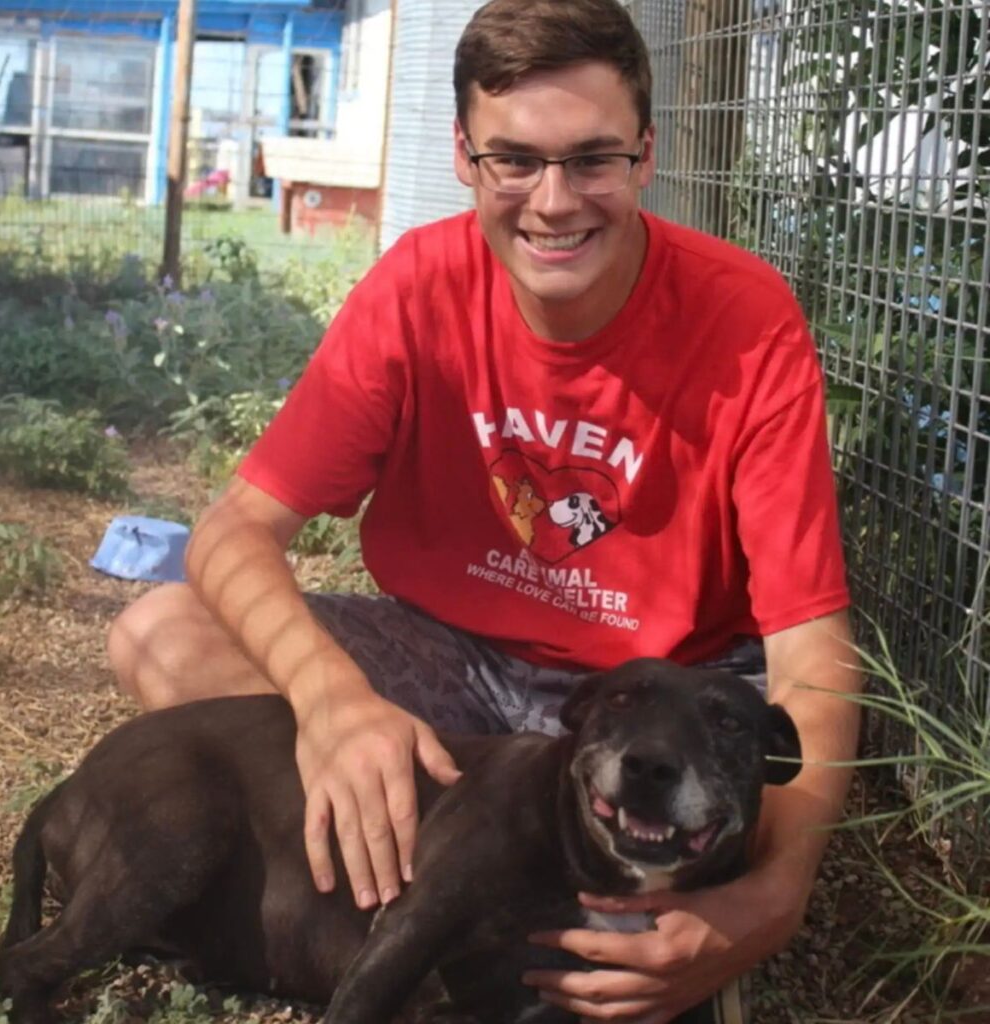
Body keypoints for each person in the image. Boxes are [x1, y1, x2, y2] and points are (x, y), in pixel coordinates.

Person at [108, 0, 862, 1020]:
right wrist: (332, 701)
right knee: (161, 635)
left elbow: (812, 655)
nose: (553, 202)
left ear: (647, 154)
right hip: (450, 661)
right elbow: (234, 531)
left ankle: (600, 909)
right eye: (515, 160)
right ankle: (467, 888)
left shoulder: (745, 318)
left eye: (592, 159)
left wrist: (775, 896)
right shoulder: (417, 287)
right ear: (464, 157)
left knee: (743, 761)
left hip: (657, 695)